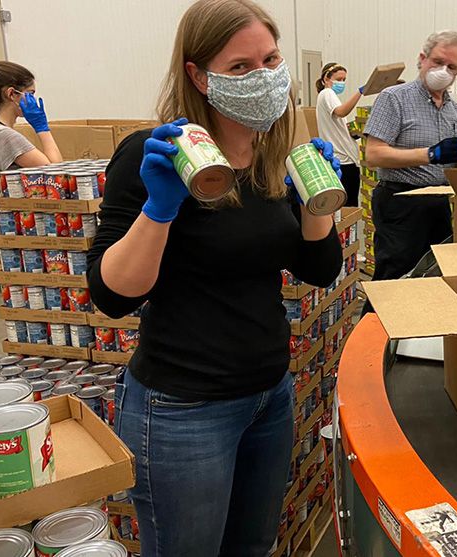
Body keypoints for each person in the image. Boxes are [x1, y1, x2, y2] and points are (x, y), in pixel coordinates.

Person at [85, 1, 342, 555]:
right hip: (183, 409)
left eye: (271, 60)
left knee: (251, 548)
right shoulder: (155, 156)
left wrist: (316, 198)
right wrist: (160, 208)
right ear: (199, 76)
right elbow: (111, 296)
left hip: (268, 396)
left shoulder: (271, 154)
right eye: (241, 67)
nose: (265, 77)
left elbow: (320, 269)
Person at [363, 29, 457, 284]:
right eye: (438, 62)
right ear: (423, 58)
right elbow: (373, 155)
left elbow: (454, 164)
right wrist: (430, 154)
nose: (443, 71)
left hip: (437, 202)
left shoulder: (452, 107)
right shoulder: (394, 98)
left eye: (451, 67)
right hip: (401, 203)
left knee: (433, 277)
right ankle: (373, 322)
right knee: (394, 279)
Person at [0, 59, 62, 205]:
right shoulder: (2, 135)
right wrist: (42, 128)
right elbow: (57, 176)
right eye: (30, 94)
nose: (33, 100)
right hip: (18, 224)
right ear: (11, 94)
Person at [315, 62, 366, 205]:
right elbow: (341, 111)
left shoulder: (328, 97)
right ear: (326, 79)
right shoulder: (327, 93)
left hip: (344, 159)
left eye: (344, 80)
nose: (342, 83)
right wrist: (360, 92)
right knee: (348, 208)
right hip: (343, 161)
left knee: (345, 207)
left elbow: (337, 123)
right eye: (338, 79)